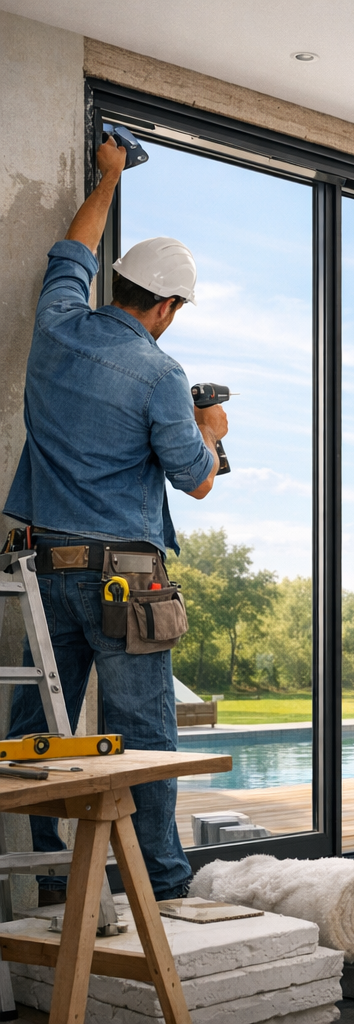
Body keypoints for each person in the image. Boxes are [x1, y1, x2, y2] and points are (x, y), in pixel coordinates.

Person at [1, 134, 228, 903]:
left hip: (35, 569)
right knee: (145, 742)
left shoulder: (58, 326)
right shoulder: (162, 373)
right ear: (164, 307)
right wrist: (213, 433)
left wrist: (106, 177)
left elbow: (72, 251)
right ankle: (160, 888)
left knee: (38, 740)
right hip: (122, 583)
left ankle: (45, 892)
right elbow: (195, 481)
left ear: (118, 283)